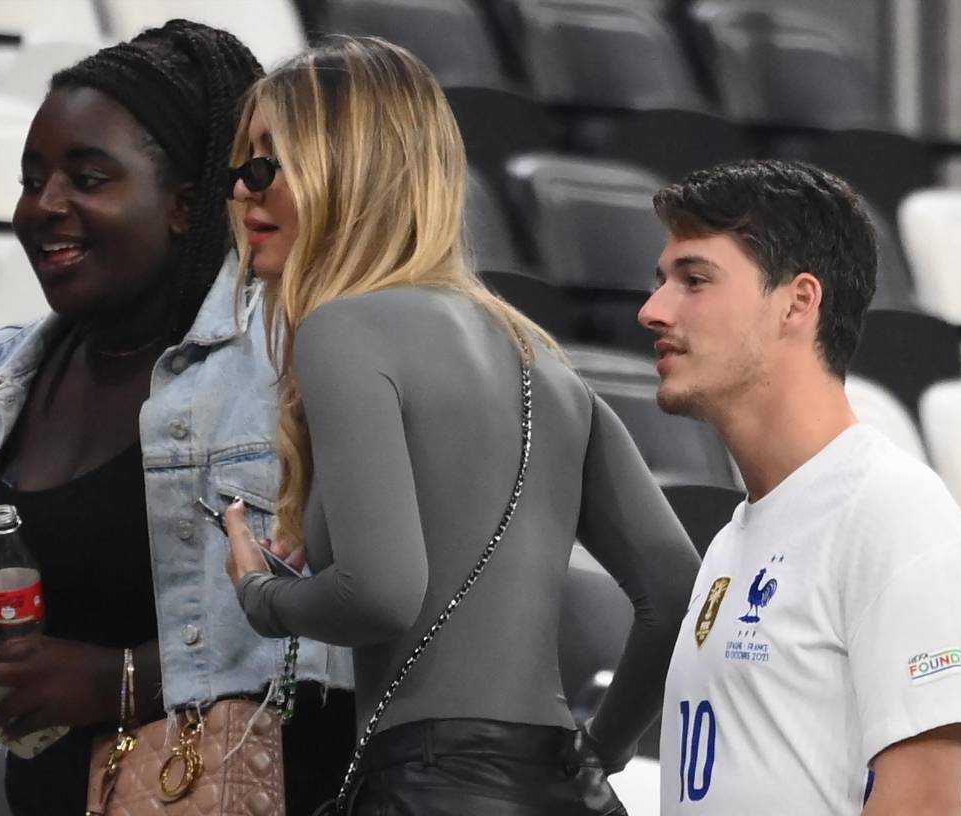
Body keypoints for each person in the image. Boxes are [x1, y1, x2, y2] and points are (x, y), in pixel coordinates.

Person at [0, 21, 353, 816]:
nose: (43, 207)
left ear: (186, 205)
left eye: (89, 178)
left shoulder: (294, 371)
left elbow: (359, 630)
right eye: (33, 179)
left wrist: (120, 678)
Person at [221, 36, 701, 815]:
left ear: (350, 170)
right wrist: (597, 756)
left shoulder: (342, 330)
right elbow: (676, 594)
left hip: (427, 788)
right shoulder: (541, 358)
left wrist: (259, 593)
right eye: (244, 164)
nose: (242, 189)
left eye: (269, 163)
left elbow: (381, 593)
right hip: (557, 787)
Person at [639, 160, 961, 815]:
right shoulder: (731, 541)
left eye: (694, 280)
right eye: (661, 282)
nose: (653, 310)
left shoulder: (893, 514)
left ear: (798, 302)